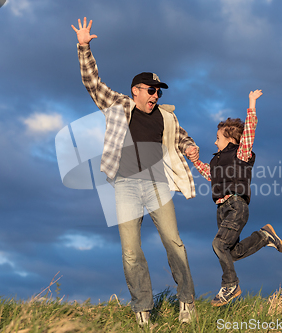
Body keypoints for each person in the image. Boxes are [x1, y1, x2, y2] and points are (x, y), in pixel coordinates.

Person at [71, 18, 198, 325]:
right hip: (125, 184)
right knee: (131, 250)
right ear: (136, 91)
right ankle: (143, 309)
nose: (155, 96)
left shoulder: (166, 118)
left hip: (157, 184)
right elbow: (93, 84)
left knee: (174, 242)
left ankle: (187, 303)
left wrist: (191, 147)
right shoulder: (118, 105)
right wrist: (84, 47)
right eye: (151, 90)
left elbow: (182, 137)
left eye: (159, 92)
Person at [188, 89, 282, 306]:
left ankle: (230, 285)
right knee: (232, 252)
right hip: (221, 210)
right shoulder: (216, 161)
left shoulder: (241, 153)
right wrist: (193, 160)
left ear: (230, 138)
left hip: (236, 205)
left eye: (217, 138)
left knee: (218, 243)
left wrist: (251, 103)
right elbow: (209, 174)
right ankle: (264, 236)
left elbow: (249, 131)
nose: (214, 143)